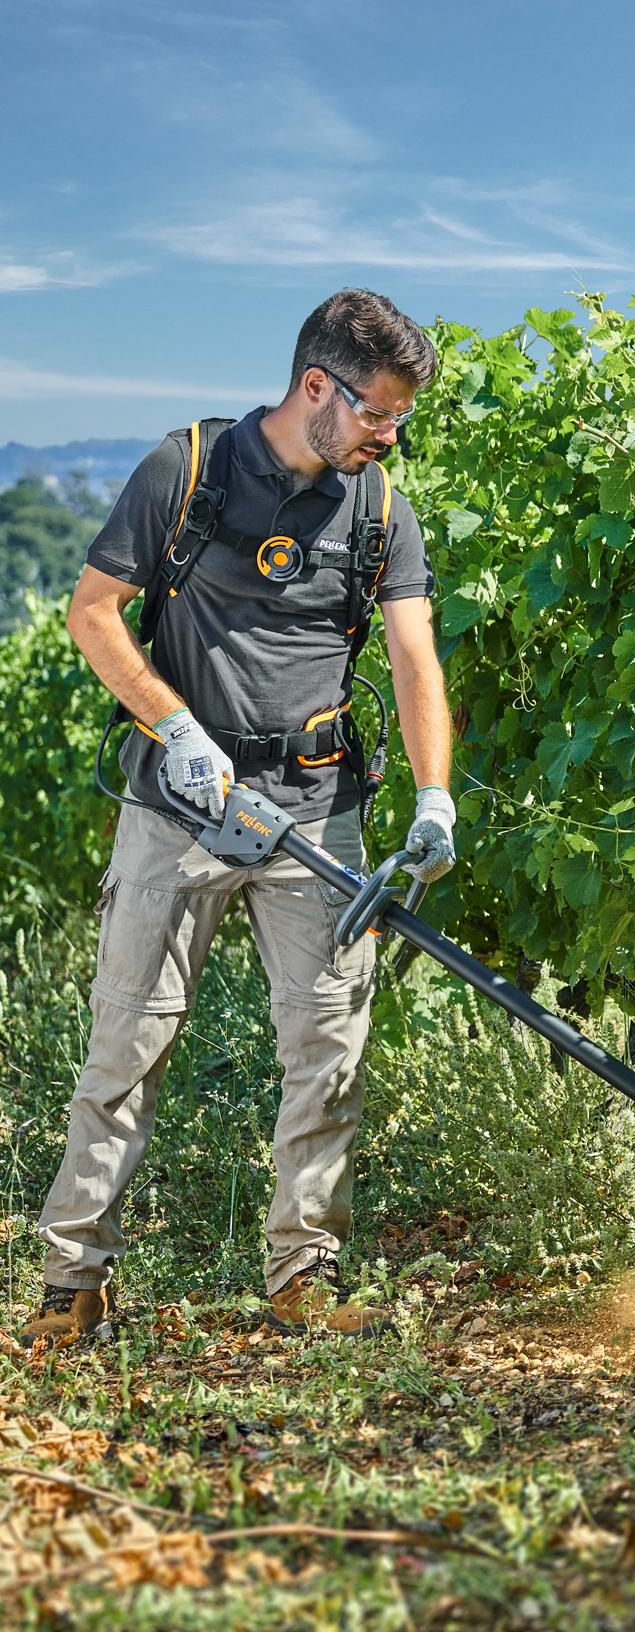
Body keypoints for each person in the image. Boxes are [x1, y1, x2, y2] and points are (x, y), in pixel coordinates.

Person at [19, 289, 455, 1346]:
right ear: (316, 385)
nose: (389, 436)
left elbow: (413, 657)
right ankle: (73, 1285)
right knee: (126, 1043)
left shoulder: (380, 506)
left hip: (317, 813)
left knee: (327, 1048)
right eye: (377, 414)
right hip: (182, 806)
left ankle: (304, 1275)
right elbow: (93, 614)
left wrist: (433, 795)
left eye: (401, 418)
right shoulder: (186, 470)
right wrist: (176, 730)